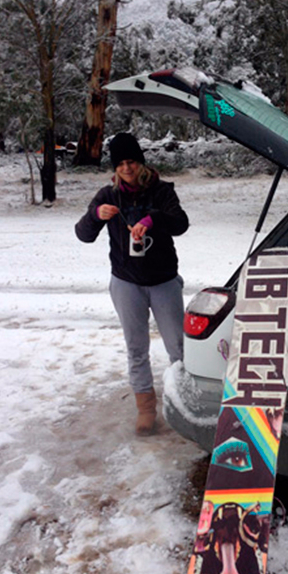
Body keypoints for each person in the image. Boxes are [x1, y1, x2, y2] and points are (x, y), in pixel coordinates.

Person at [75, 133, 190, 436]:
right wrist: (95, 215)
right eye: (121, 163)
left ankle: (188, 403)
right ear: (114, 168)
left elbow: (181, 223)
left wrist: (153, 219)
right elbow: (83, 235)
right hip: (126, 282)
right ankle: (146, 408)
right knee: (135, 347)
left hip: (164, 280)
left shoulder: (162, 191)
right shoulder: (108, 196)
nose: (127, 167)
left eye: (132, 161)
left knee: (178, 345)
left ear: (141, 162)